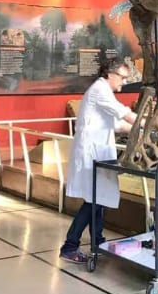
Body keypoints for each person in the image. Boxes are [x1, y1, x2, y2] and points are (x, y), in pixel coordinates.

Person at [59, 59, 138, 263]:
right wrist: (146, 122)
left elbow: (119, 125)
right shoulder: (100, 90)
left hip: (100, 153)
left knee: (98, 199)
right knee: (93, 200)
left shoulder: (104, 93)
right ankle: (69, 247)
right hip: (91, 154)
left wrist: (143, 130)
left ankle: (98, 241)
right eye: (122, 78)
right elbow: (123, 113)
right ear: (110, 74)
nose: (123, 83)